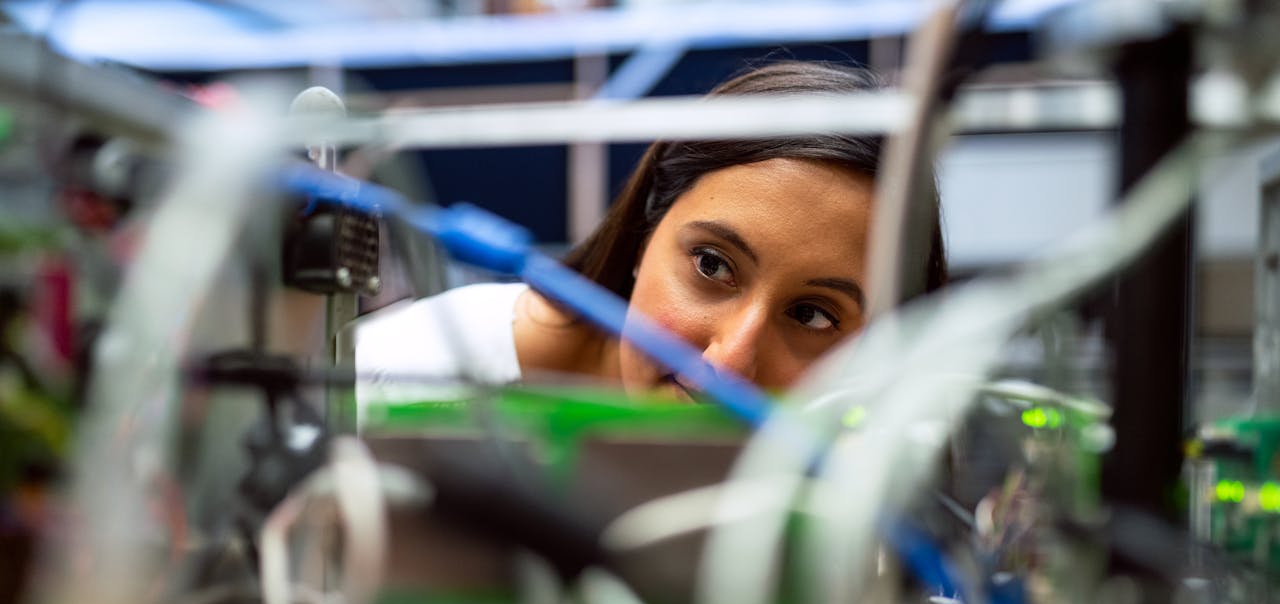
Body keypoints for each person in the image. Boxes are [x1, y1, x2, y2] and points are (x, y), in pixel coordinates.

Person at [355, 60, 947, 405]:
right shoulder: (398, 380)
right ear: (644, 234)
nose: (727, 363)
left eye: (813, 314)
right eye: (712, 266)